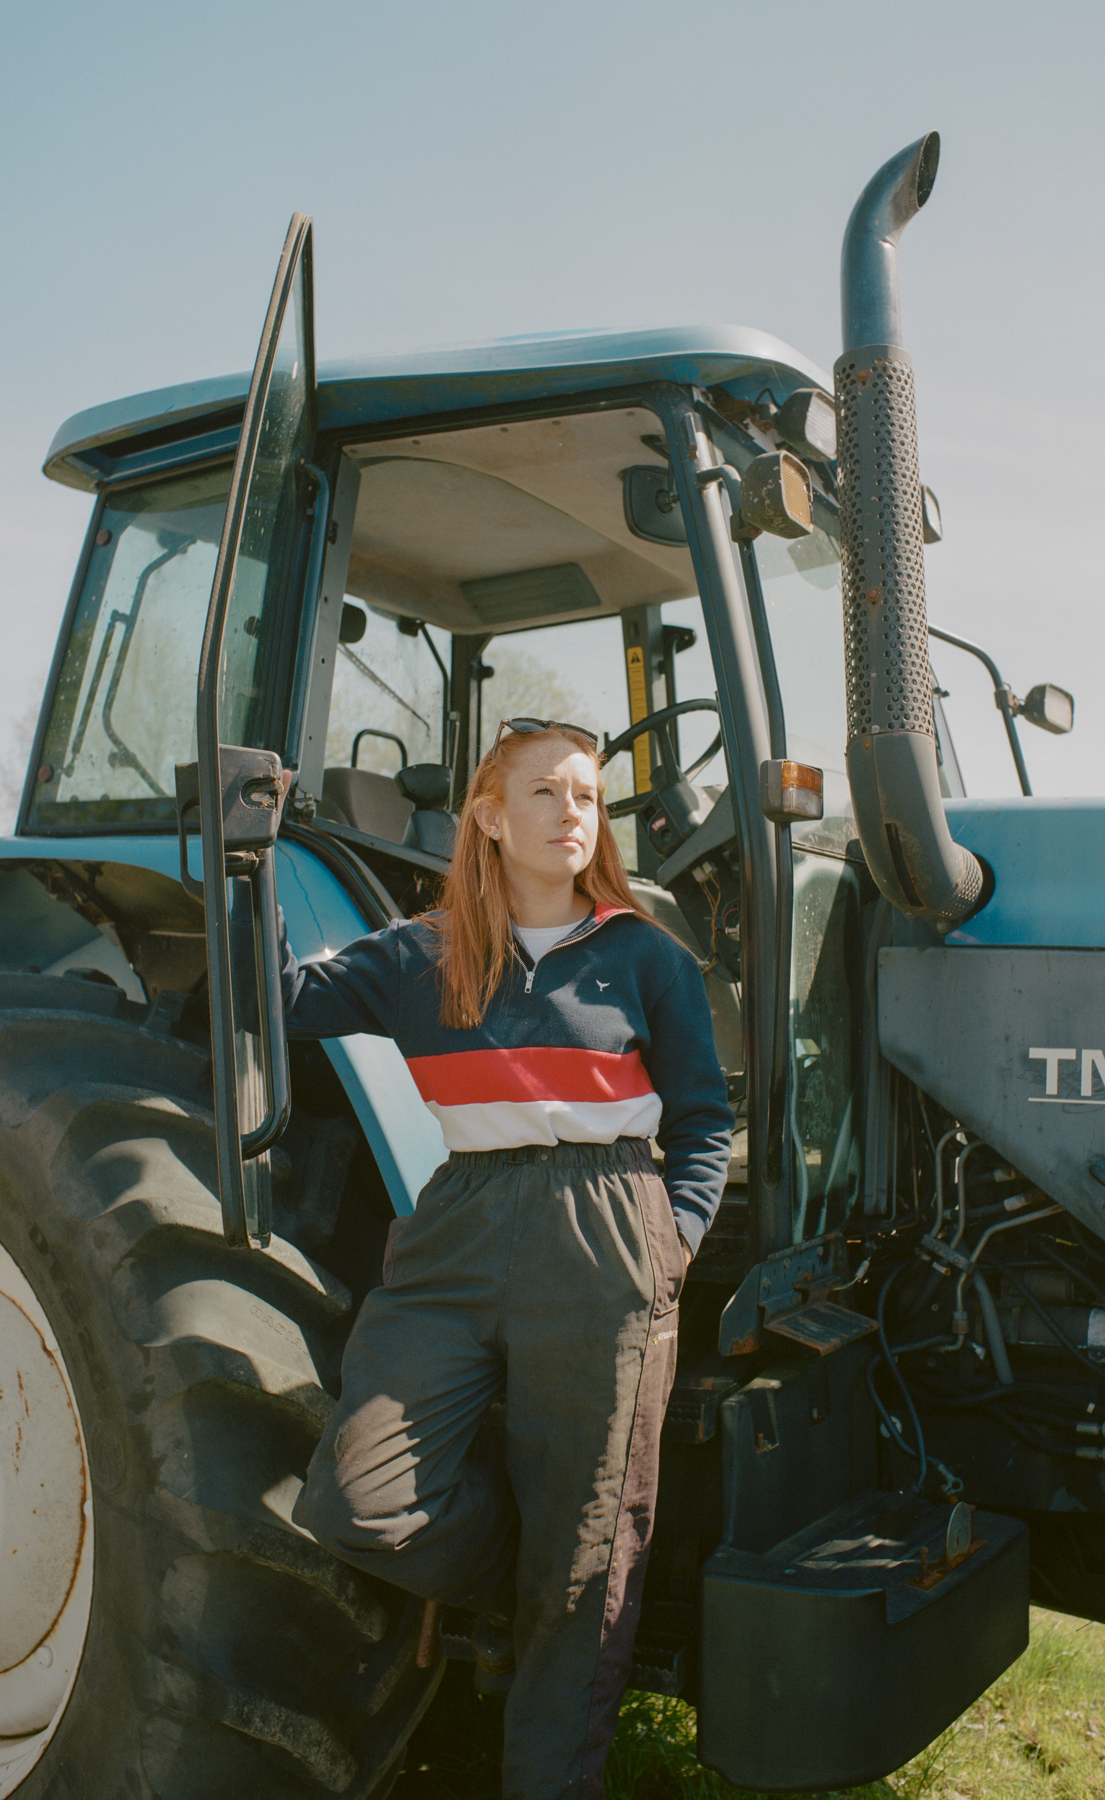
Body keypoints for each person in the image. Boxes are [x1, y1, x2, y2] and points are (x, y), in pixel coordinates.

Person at [277, 717, 732, 1800]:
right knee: (359, 1499)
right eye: (546, 793)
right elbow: (282, 1000)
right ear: (487, 816)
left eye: (587, 796)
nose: (574, 813)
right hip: (461, 1221)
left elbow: (704, 1119)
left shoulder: (645, 956)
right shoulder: (420, 955)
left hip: (605, 1226)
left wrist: (673, 1242)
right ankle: (547, 1584)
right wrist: (245, 863)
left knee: (586, 1557)